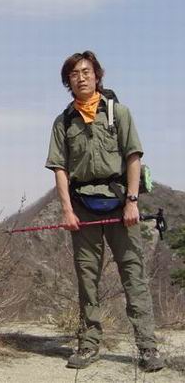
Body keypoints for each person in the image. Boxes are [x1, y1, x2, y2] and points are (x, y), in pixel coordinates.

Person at [45, 51, 164, 372]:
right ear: (68, 82)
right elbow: (59, 169)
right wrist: (67, 211)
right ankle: (88, 344)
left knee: (133, 275)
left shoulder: (119, 113)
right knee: (87, 279)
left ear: (97, 76)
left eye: (86, 71)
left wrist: (132, 201)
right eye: (74, 74)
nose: (81, 77)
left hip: (120, 204)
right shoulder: (63, 122)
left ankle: (147, 347)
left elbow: (133, 157)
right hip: (82, 208)